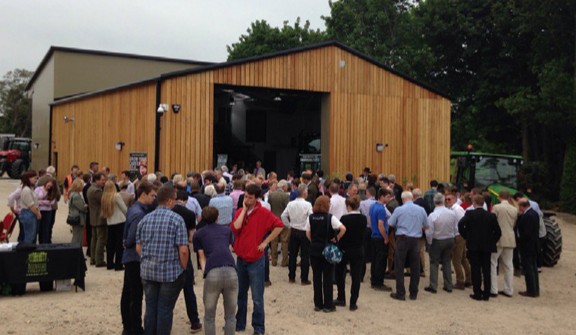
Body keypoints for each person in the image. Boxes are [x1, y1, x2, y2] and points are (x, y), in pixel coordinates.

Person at [231, 184, 284, 335]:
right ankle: (239, 323)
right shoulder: (241, 211)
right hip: (241, 259)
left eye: (250, 198)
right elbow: (235, 228)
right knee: (240, 294)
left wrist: (265, 242)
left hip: (256, 260)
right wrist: (243, 210)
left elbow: (279, 226)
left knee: (257, 297)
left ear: (257, 198)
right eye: (246, 197)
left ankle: (259, 328)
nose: (247, 200)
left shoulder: (263, 213)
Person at [137, 185, 189, 335]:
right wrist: (183, 268)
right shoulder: (177, 220)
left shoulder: (145, 219)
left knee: (151, 307)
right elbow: (183, 250)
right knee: (165, 309)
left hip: (148, 271)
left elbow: (138, 247)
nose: (175, 202)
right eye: (174, 199)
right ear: (168, 200)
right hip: (170, 273)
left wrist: (147, 260)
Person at [193, 206, 238, 335]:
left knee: (209, 315)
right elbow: (228, 249)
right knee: (230, 315)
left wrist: (205, 273)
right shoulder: (226, 230)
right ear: (217, 217)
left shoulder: (198, 234)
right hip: (230, 269)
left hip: (213, 271)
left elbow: (202, 257)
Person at [121, 181, 156, 335]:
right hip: (135, 258)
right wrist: (127, 243)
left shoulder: (134, 209)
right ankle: (134, 327)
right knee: (135, 294)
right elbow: (132, 238)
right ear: (144, 195)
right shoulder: (139, 213)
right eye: (152, 195)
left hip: (130, 256)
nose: (154, 198)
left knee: (128, 292)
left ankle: (128, 326)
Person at [306, 195, 346, 312]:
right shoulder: (330, 218)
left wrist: (313, 241)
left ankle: (318, 304)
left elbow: (308, 233)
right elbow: (343, 228)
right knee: (327, 277)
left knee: (316, 277)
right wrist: (337, 237)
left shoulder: (311, 218)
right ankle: (328, 305)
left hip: (314, 250)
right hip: (327, 250)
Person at [458, 195, 501, 301]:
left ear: (474, 203)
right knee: (487, 270)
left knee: (475, 269)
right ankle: (486, 293)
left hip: (474, 245)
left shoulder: (470, 214)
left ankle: (477, 292)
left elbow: (460, 224)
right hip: (487, 246)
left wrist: (466, 236)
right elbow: (498, 232)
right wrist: (492, 241)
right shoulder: (491, 216)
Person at [388, 191, 429, 301]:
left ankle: (401, 293)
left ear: (402, 199)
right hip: (415, 239)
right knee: (415, 267)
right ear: (412, 198)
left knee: (399, 266)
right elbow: (426, 226)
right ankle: (413, 293)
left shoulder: (399, 210)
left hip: (402, 238)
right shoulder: (421, 210)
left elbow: (390, 223)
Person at [172, 189, 202, 333]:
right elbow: (192, 236)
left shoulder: (168, 211)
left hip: (170, 253)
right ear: (185, 200)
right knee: (188, 290)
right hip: (184, 252)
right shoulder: (189, 214)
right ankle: (194, 322)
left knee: (168, 291)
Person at [335, 196, 365, 311]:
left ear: (348, 206)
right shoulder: (363, 218)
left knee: (340, 273)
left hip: (344, 249)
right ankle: (353, 302)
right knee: (356, 276)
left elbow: (340, 231)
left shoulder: (344, 218)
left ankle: (341, 297)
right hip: (358, 249)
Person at [424, 193, 458, 294]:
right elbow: (455, 227)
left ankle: (433, 285)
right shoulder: (451, 213)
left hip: (437, 240)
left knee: (434, 262)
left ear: (434, 202)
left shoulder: (432, 215)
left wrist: (429, 243)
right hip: (449, 239)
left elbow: (429, 231)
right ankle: (448, 285)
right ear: (443, 201)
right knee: (447, 261)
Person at [281, 183, 313, 285]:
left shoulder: (291, 204)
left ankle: (291, 277)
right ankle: (304, 279)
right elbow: (311, 217)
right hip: (304, 231)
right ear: (305, 193)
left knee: (293, 255)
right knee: (304, 255)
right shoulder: (307, 205)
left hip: (294, 230)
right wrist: (308, 227)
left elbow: (283, 215)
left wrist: (289, 225)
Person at [490, 190, 518, 298]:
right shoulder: (514, 209)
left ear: (500, 197)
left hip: (498, 238)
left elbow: (493, 222)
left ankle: (494, 289)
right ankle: (509, 289)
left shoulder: (497, 207)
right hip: (510, 237)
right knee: (508, 265)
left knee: (493, 263)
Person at [368, 188, 393, 291]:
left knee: (374, 259)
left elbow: (370, 219)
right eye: (387, 197)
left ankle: (374, 279)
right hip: (380, 236)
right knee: (381, 260)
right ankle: (379, 282)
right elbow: (381, 225)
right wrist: (386, 238)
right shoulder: (381, 209)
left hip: (373, 235)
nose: (389, 199)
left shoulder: (372, 206)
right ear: (382, 196)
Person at [445, 191, 471, 290]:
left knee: (456, 259)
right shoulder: (452, 208)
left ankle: (460, 281)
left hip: (458, 235)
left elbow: (463, 222)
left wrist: (461, 234)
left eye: (449, 199)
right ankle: (469, 278)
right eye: (446, 199)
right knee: (463, 258)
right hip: (457, 235)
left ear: (455, 199)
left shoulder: (457, 209)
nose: (447, 201)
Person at [101, 180, 128, 271]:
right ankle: (118, 264)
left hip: (110, 222)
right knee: (119, 244)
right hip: (120, 221)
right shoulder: (116, 196)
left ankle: (109, 263)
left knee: (110, 243)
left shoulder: (104, 197)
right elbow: (124, 208)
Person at [517, 199, 540, 298]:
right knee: (533, 267)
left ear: (522, 206)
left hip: (528, 245)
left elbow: (526, 232)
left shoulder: (528, 216)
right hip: (534, 244)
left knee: (529, 268)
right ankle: (535, 289)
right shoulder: (534, 213)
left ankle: (531, 290)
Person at [267, 180, 290, 267]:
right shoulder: (286, 196)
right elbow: (287, 208)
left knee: (274, 241)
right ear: (283, 187)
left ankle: (274, 261)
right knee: (284, 241)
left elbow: (269, 206)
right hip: (283, 221)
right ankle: (284, 262)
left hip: (274, 221)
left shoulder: (271, 195)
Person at [87, 172, 108, 267]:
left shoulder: (90, 189)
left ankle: (93, 258)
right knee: (101, 239)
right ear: (96, 180)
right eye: (102, 180)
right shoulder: (97, 191)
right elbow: (104, 202)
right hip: (100, 218)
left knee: (94, 239)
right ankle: (99, 260)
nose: (104, 182)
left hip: (93, 217)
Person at [18, 170, 41, 243]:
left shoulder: (31, 189)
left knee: (32, 236)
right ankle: (26, 253)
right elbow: (31, 205)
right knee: (29, 237)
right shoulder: (26, 190)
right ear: (28, 178)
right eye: (34, 178)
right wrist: (38, 214)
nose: (36, 180)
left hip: (31, 214)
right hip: (28, 214)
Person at [35, 177, 57, 243]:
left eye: (50, 186)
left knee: (46, 228)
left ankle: (44, 243)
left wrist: (41, 201)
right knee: (39, 228)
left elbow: (51, 203)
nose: (49, 187)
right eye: (48, 185)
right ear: (46, 183)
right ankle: (40, 241)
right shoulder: (38, 189)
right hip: (39, 211)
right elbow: (35, 200)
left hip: (48, 212)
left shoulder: (52, 192)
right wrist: (45, 202)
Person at [67, 178, 87, 245]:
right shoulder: (76, 196)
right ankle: (74, 251)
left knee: (76, 235)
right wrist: (87, 206)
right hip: (78, 218)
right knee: (77, 237)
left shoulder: (72, 194)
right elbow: (82, 208)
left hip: (74, 216)